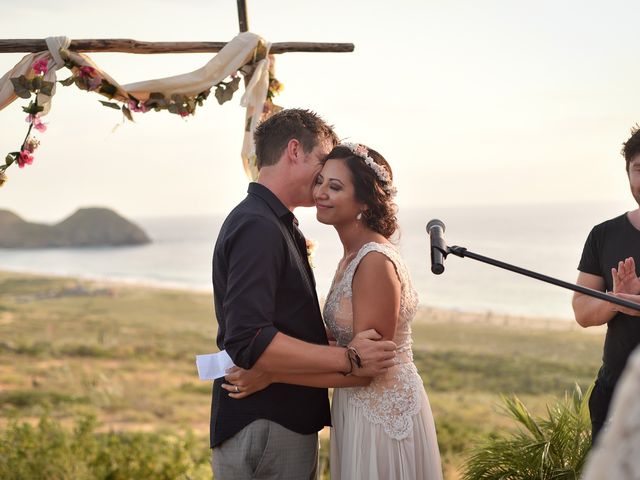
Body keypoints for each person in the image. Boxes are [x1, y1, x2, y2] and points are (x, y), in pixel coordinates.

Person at [225, 142, 443, 479]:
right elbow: (352, 351)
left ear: (365, 202)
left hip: (382, 413)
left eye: (335, 186)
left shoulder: (372, 261)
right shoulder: (350, 257)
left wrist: (271, 374)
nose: (321, 193)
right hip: (355, 405)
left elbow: (367, 368)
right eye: (320, 181)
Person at [210, 109, 398, 480]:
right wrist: (348, 357)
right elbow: (249, 337)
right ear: (295, 151)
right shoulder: (258, 226)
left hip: (274, 421)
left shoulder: (270, 222)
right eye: (321, 161)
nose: (322, 178)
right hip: (267, 424)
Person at [572, 125, 640, 443]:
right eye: (639, 169)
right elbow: (583, 313)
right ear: (628, 174)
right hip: (615, 391)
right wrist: (616, 300)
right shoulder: (603, 235)